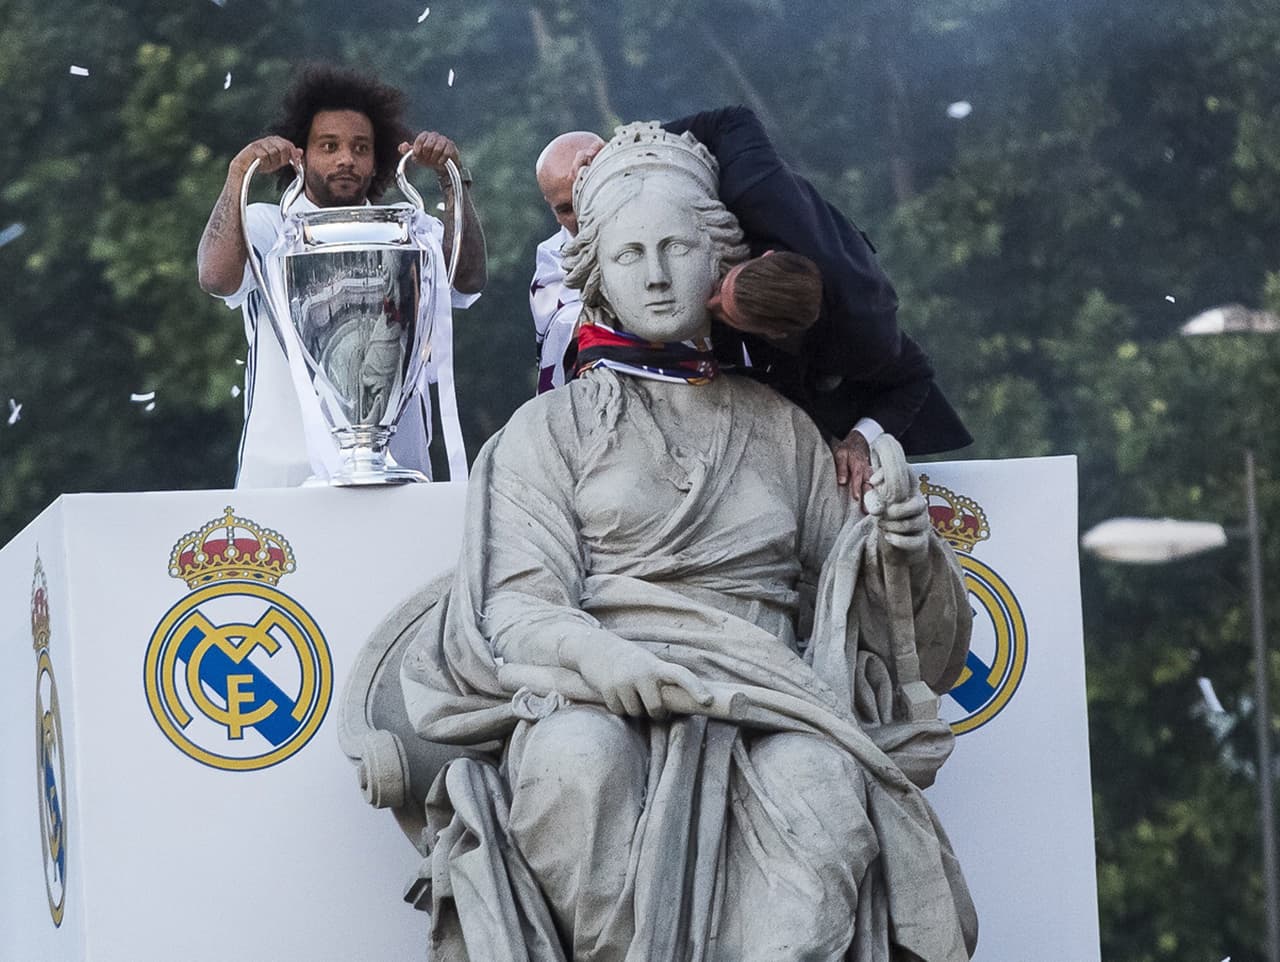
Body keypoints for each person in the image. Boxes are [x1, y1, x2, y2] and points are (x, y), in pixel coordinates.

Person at [395, 122, 977, 960]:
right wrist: (607, 663)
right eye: (630, 254)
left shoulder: (787, 431)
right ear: (595, 272)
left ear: (719, 262)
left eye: (676, 246)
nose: (658, 274)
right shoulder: (545, 433)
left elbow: (884, 632)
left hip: (768, 696)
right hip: (604, 689)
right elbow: (515, 606)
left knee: (816, 779)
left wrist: (904, 548)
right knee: (574, 764)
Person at [531, 107, 970, 500]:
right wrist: (624, 158)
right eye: (724, 287)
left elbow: (914, 375)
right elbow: (730, 120)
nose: (708, 300)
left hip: (809, 381)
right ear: (754, 257)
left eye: (723, 312)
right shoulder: (758, 192)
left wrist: (859, 438)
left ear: (771, 334)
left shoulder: (862, 332)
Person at [197, 65, 487, 487]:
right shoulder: (267, 226)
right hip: (283, 484)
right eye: (328, 146)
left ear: (378, 158)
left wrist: (452, 181)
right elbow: (215, 277)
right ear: (301, 154)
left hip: (398, 474)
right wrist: (238, 173)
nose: (346, 159)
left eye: (361, 147)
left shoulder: (411, 228)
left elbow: (467, 281)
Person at [530, 130, 604, 393]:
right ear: (549, 206)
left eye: (587, 197)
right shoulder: (552, 261)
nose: (581, 216)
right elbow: (568, 334)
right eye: (565, 209)